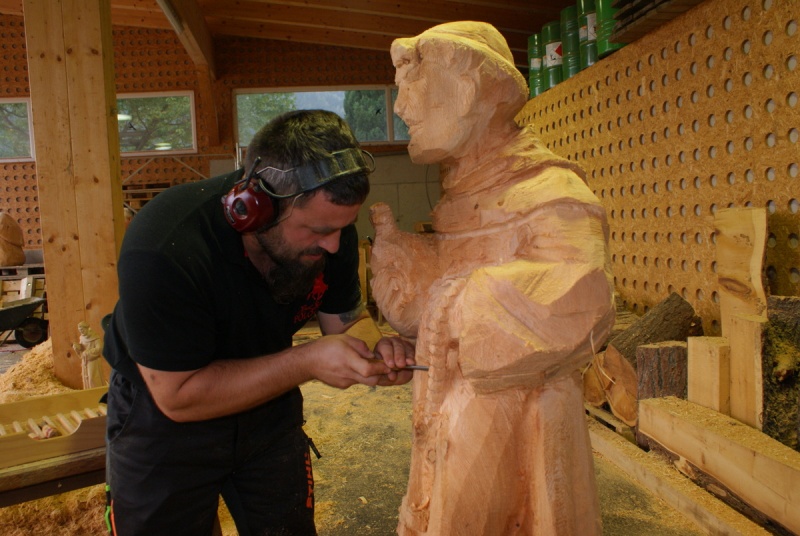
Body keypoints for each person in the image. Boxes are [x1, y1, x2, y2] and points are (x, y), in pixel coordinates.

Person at [103, 109, 416, 536]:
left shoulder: (332, 230)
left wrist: (375, 347)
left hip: (268, 404)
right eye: (317, 230)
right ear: (254, 209)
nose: (333, 244)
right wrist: (307, 361)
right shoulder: (164, 247)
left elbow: (345, 322)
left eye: (340, 228)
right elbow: (177, 397)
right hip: (163, 417)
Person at [369, 22, 615, 535]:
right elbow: (446, 299)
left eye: (414, 88)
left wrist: (451, 302)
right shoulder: (463, 197)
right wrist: (412, 278)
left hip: (523, 419)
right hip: (451, 416)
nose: (402, 108)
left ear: (467, 91)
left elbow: (582, 296)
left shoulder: (549, 192)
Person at [73, 321, 105, 388]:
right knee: (86, 378)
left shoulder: (95, 337)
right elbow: (82, 348)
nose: (81, 332)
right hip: (85, 361)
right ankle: (88, 391)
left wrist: (88, 352)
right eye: (80, 330)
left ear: (87, 328)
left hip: (93, 361)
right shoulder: (82, 337)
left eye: (82, 330)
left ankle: (96, 392)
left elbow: (99, 348)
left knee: (92, 378)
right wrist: (77, 347)